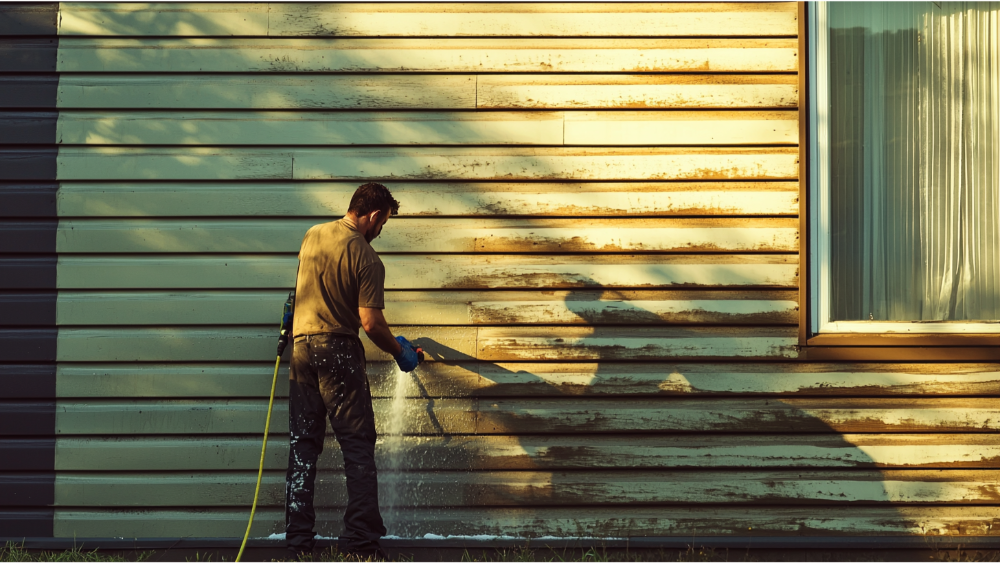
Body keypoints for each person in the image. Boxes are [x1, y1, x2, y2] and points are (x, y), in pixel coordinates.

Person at [285, 182, 422, 560]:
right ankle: (360, 543)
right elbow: (371, 323)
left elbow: (298, 292)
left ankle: (297, 544)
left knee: (302, 447)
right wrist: (401, 351)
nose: (381, 232)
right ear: (374, 215)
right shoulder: (366, 257)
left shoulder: (313, 235)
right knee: (358, 447)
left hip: (300, 349)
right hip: (337, 351)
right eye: (384, 224)